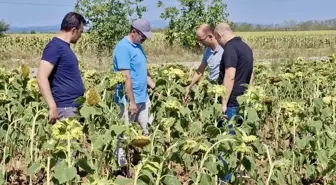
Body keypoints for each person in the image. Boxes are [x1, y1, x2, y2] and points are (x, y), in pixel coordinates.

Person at [112, 18, 156, 177]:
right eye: (143, 36)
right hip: (127, 100)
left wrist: (154, 86)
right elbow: (126, 78)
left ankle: (144, 164)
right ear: (134, 32)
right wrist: (131, 101)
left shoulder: (138, 46)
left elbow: (143, 71)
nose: (144, 39)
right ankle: (122, 168)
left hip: (143, 97)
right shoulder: (123, 48)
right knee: (123, 135)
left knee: (146, 132)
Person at [214, 22, 254, 184]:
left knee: (225, 143)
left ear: (219, 35)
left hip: (231, 104)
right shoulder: (246, 47)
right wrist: (249, 97)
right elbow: (251, 75)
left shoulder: (230, 49)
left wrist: (223, 102)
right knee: (240, 142)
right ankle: (241, 175)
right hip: (243, 103)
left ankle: (225, 179)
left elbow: (230, 75)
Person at [37, 12, 87, 123]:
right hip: (65, 108)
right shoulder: (55, 47)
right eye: (81, 31)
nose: (81, 35)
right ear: (73, 30)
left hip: (73, 107)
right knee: (69, 140)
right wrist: (52, 106)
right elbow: (41, 77)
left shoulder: (64, 47)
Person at [183, 23, 224, 103]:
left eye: (201, 40)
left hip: (222, 91)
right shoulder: (207, 52)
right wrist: (189, 86)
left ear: (210, 36)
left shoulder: (224, 48)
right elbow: (200, 71)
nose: (200, 43)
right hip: (212, 90)